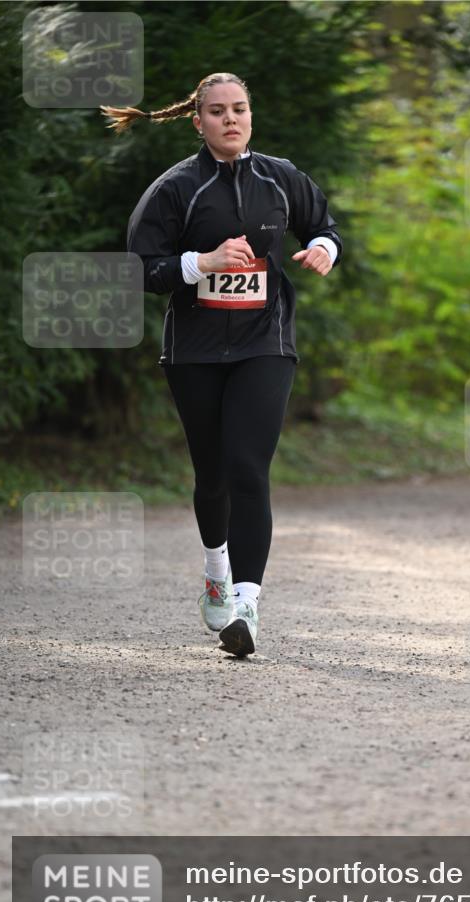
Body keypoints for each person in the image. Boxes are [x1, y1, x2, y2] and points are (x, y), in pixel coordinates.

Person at [101, 73, 342, 655]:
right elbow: (138, 269)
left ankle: (246, 606)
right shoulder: (175, 189)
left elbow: (325, 226)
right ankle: (216, 570)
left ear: (251, 116)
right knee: (211, 475)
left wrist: (323, 249)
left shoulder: (281, 178)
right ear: (198, 121)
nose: (230, 119)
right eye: (217, 111)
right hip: (196, 350)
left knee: (247, 467)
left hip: (266, 342)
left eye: (239, 109)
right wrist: (202, 262)